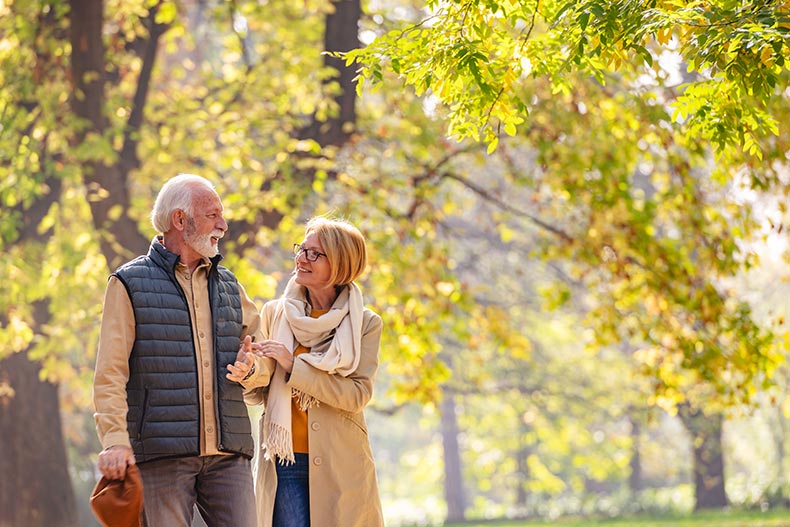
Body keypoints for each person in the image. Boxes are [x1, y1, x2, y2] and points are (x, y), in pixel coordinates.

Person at [93, 174, 274, 527]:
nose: (223, 225)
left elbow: (263, 351)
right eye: (212, 215)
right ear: (180, 219)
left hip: (228, 455)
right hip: (162, 455)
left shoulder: (230, 285)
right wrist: (115, 441)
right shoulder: (128, 283)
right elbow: (111, 371)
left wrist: (252, 369)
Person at [246, 216, 385, 527]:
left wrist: (294, 366)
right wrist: (247, 371)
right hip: (285, 460)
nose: (301, 259)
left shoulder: (365, 324)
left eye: (313, 254)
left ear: (339, 264)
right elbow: (259, 391)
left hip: (342, 462)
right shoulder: (275, 313)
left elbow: (357, 395)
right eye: (301, 249)